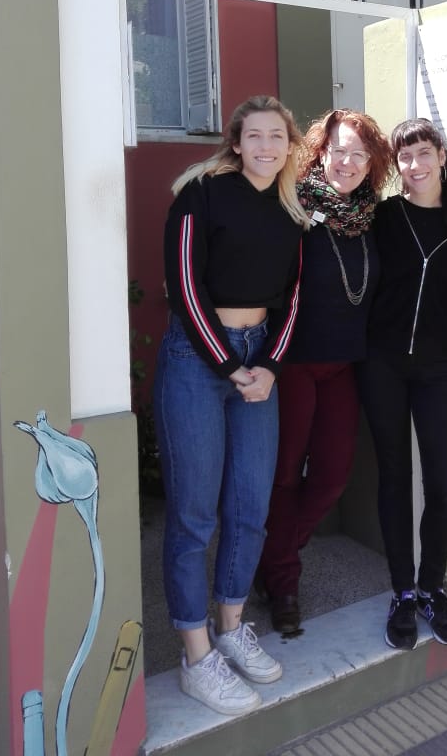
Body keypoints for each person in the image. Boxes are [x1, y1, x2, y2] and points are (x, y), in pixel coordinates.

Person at [153, 94, 309, 716]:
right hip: (198, 360)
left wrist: (267, 366)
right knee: (194, 515)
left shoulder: (292, 211)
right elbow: (184, 285)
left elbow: (294, 299)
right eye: (255, 136)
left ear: (290, 146)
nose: (266, 147)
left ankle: (230, 627)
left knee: (250, 507)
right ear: (237, 143)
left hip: (258, 360)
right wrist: (228, 364)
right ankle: (196, 657)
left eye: (277, 137)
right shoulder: (202, 195)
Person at [358, 117, 447, 651]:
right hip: (383, 365)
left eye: (424, 153)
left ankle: (430, 589)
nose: (415, 165)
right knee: (395, 477)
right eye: (405, 156)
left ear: (443, 155)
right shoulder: (383, 217)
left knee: (443, 484)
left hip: (442, 368)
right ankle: (402, 592)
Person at [257, 108, 393, 635]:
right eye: (339, 150)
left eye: (360, 153)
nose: (348, 162)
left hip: (344, 365)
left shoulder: (372, 219)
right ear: (320, 152)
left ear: (372, 162)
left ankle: (274, 559)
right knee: (285, 475)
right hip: (292, 363)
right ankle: (284, 584)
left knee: (333, 476)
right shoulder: (295, 208)